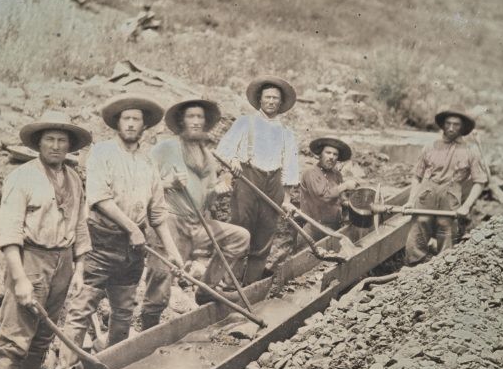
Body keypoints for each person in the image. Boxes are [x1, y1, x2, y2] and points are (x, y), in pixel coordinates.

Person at [0, 111, 92, 369]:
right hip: (31, 258)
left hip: (63, 262)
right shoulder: (23, 177)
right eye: (50, 140)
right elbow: (9, 231)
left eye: (62, 140)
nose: (57, 146)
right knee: (14, 339)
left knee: (42, 339)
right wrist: (19, 279)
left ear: (70, 146)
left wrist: (80, 270)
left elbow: (79, 226)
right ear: (39, 143)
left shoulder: (74, 178)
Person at [63, 95, 184, 350]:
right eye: (126, 118)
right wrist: (131, 228)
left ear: (144, 125)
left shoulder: (147, 161)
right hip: (101, 240)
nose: (130, 124)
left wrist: (173, 253)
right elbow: (99, 198)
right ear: (117, 123)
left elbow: (158, 213)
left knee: (124, 310)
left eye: (136, 119)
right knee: (81, 308)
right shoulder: (102, 152)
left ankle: (115, 364)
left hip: (132, 249)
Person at [141, 99, 251, 329]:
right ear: (182, 121)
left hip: (197, 223)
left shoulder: (208, 157)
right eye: (191, 116)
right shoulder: (165, 149)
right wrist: (168, 182)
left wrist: (217, 191)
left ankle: (206, 290)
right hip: (169, 222)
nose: (196, 121)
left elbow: (207, 199)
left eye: (200, 117)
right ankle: (149, 325)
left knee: (239, 237)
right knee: (162, 279)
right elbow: (141, 185)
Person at [216, 76, 300, 284]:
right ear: (260, 100)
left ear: (281, 103)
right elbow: (223, 150)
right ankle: (228, 282)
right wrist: (234, 159)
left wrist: (287, 199)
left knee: (265, 233)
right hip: (248, 179)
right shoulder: (246, 122)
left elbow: (289, 166)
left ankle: (252, 284)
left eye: (275, 99)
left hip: (274, 185)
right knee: (239, 229)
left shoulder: (286, 133)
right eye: (268, 97)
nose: (271, 101)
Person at [404, 108, 488, 265]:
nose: (451, 128)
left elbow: (480, 181)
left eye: (456, 125)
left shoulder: (471, 151)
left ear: (462, 128)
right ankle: (413, 269)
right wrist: (411, 200)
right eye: (448, 124)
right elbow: (417, 176)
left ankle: (442, 271)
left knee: (446, 231)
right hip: (426, 194)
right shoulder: (430, 146)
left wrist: (466, 206)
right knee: (418, 230)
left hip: (450, 196)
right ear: (442, 125)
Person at [297, 136, 360, 236]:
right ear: (320, 154)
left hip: (333, 229)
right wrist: (345, 186)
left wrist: (353, 205)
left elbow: (339, 199)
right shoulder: (311, 173)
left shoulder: (336, 174)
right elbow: (322, 198)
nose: (331, 157)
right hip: (313, 230)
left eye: (335, 154)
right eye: (328, 153)